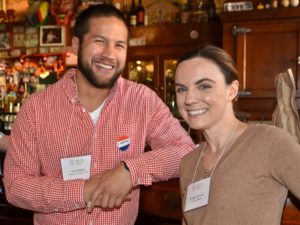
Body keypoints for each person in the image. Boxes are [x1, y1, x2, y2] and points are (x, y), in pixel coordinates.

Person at [3, 4, 194, 225]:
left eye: (119, 45)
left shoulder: (142, 100)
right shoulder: (36, 108)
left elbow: (185, 152)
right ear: (76, 45)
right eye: (99, 41)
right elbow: (16, 186)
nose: (109, 55)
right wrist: (85, 190)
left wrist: (130, 170)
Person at [175, 45, 300, 225]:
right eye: (181, 89)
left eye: (204, 86)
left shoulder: (268, 141)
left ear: (232, 90)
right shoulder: (188, 163)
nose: (189, 99)